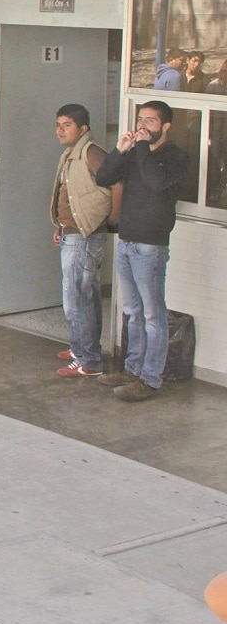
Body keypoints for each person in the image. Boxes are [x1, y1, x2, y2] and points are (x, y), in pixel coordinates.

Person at [95, 99, 188, 402]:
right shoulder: (136, 152)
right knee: (132, 311)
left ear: (166, 126)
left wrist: (143, 147)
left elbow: (156, 182)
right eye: (140, 119)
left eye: (150, 120)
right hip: (126, 240)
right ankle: (132, 369)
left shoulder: (175, 157)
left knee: (152, 314)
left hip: (151, 245)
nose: (142, 126)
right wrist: (120, 150)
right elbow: (103, 177)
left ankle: (150, 379)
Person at [50, 104, 116, 379]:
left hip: (85, 236)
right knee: (82, 294)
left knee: (77, 297)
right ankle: (81, 349)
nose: (60, 130)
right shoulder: (71, 154)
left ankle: (89, 360)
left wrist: (112, 220)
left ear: (83, 128)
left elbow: (116, 184)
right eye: (59, 125)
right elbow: (69, 196)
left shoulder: (91, 152)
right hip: (72, 233)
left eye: (67, 125)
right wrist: (61, 226)